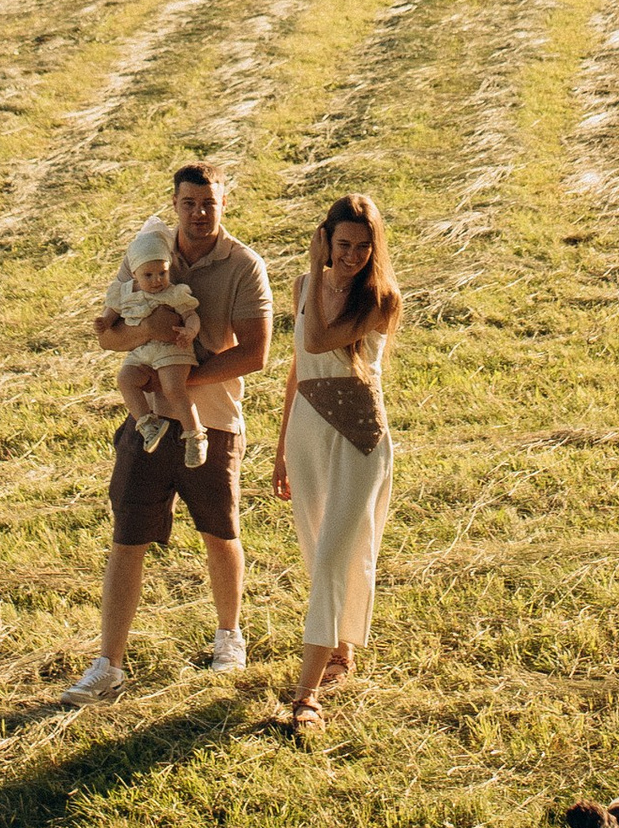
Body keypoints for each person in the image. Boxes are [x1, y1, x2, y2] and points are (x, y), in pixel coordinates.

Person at [62, 162, 271, 702]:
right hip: (147, 425)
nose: (200, 214)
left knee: (219, 534)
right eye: (190, 204)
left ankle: (229, 638)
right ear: (175, 204)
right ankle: (108, 664)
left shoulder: (244, 265)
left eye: (210, 204)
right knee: (126, 538)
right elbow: (110, 338)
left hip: (214, 423)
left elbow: (257, 353)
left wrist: (181, 376)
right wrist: (148, 335)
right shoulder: (146, 254)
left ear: (224, 204)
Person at [272, 190, 401, 737]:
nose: (352, 256)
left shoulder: (381, 298)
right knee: (317, 545)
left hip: (357, 435)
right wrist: (280, 447)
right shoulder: (304, 287)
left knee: (338, 553)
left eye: (363, 247)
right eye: (343, 244)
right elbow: (300, 365)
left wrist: (311, 263)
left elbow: (322, 336)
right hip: (307, 429)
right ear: (327, 237)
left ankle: (306, 696)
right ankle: (342, 644)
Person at [114, 224, 206, 460]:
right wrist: (104, 322)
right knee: (125, 379)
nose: (156, 280)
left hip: (172, 349)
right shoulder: (128, 294)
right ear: (135, 274)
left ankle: (195, 435)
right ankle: (147, 423)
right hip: (143, 352)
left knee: (173, 387)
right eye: (148, 275)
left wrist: (190, 331)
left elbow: (191, 315)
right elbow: (112, 314)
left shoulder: (175, 293)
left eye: (162, 273)